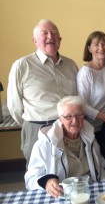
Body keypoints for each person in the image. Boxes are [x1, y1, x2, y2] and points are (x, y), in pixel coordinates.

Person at [7, 19, 78, 163]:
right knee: (40, 177)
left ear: (60, 39)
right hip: (37, 128)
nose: (50, 37)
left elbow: (76, 98)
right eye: (44, 33)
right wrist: (32, 123)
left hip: (68, 128)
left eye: (53, 33)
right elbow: (14, 106)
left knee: (70, 172)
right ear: (35, 41)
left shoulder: (71, 65)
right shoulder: (22, 66)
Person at [25, 96, 105, 197]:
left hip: (91, 190)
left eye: (79, 115)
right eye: (68, 116)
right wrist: (47, 182)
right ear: (60, 119)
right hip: (63, 194)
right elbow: (30, 178)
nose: (75, 121)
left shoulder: (90, 137)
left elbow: (100, 167)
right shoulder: (44, 144)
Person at [76, 31, 105, 144]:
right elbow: (82, 105)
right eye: (96, 44)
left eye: (104, 44)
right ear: (89, 48)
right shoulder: (85, 73)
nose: (101, 48)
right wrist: (103, 116)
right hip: (91, 127)